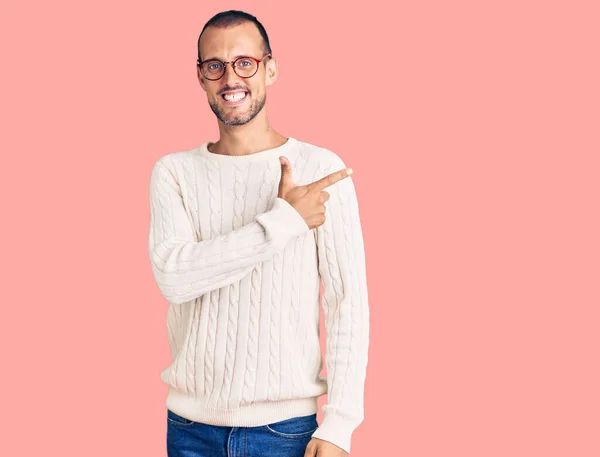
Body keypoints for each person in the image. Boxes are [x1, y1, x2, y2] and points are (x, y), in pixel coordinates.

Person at [148, 9, 370, 457]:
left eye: (245, 62)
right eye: (215, 65)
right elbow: (175, 278)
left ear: (270, 67)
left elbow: (347, 303)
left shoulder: (320, 169)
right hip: (190, 429)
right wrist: (284, 221)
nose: (231, 77)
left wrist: (340, 424)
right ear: (201, 76)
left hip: (286, 431)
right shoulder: (174, 172)